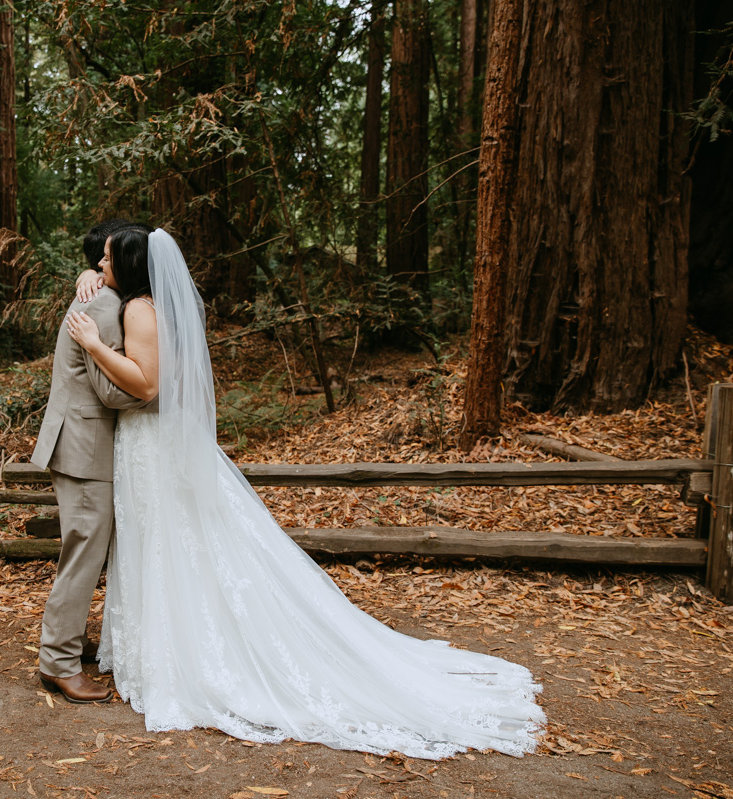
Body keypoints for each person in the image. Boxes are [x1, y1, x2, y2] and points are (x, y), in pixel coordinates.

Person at [63, 227, 545, 758]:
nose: (99, 264)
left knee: (168, 543)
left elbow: (147, 384)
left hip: (151, 445)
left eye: (106, 259)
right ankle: (171, 641)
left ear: (130, 266)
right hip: (159, 442)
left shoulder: (138, 310)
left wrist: (92, 344)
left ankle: (184, 653)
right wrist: (90, 282)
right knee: (177, 543)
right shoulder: (158, 304)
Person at [30, 220, 153, 703]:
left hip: (82, 442)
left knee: (84, 549)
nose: (100, 265)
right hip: (84, 446)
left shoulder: (103, 296)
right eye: (99, 259)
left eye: (107, 259)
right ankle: (58, 663)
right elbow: (110, 392)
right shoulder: (104, 304)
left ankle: (70, 641)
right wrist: (157, 393)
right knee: (83, 553)